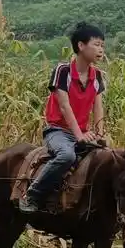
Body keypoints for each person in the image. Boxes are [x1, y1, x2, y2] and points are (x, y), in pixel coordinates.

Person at [20, 22, 107, 214]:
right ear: (81, 45)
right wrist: (79, 135)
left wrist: (99, 133)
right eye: (97, 44)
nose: (101, 49)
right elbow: (64, 106)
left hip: (82, 133)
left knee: (109, 159)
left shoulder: (98, 76)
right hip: (58, 131)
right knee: (66, 156)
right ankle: (33, 194)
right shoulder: (63, 71)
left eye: (102, 45)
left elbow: (98, 107)